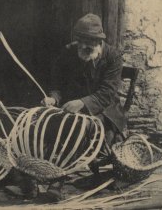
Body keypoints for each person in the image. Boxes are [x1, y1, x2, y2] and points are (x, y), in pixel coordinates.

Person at [42, 13, 125, 149]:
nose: (82, 46)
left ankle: (73, 156)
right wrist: (54, 98)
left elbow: (107, 94)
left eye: (88, 43)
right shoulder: (69, 51)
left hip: (105, 109)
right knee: (47, 121)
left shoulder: (113, 57)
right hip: (75, 106)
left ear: (98, 41)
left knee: (81, 126)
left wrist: (82, 103)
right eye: (80, 41)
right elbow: (58, 82)